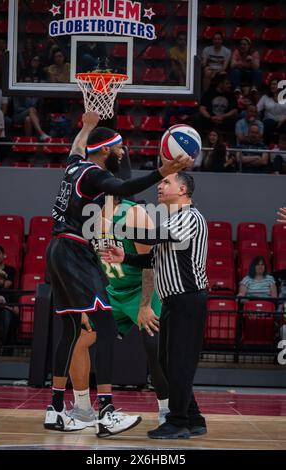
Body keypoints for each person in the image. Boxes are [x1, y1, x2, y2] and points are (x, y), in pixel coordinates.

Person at [44, 111, 193, 434]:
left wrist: (85, 126)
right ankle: (92, 409)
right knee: (90, 334)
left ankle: (166, 411)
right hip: (88, 269)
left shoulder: (125, 207)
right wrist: (162, 171)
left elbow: (150, 262)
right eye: (120, 148)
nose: (123, 153)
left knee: (147, 345)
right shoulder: (94, 186)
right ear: (107, 152)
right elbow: (118, 178)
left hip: (127, 284)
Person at [101, 172, 208, 439]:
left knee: (179, 363)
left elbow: (152, 238)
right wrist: (125, 256)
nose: (159, 186)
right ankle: (194, 418)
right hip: (174, 300)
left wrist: (113, 225)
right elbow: (153, 260)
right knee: (167, 361)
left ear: (183, 189)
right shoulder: (173, 220)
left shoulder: (190, 217)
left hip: (188, 299)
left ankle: (177, 422)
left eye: (166, 182)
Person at [67, 196, 170, 427]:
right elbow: (88, 267)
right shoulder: (90, 217)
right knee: (78, 338)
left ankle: (167, 409)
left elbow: (150, 262)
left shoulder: (133, 214)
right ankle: (83, 408)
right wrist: (84, 304)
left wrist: (144, 306)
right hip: (115, 291)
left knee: (154, 347)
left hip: (145, 289)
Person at [257, 79, 286, 145]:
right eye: (271, 84)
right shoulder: (265, 97)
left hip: (284, 120)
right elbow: (257, 109)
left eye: (275, 84)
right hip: (269, 120)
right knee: (267, 125)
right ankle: (267, 146)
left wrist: (283, 120)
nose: (272, 86)